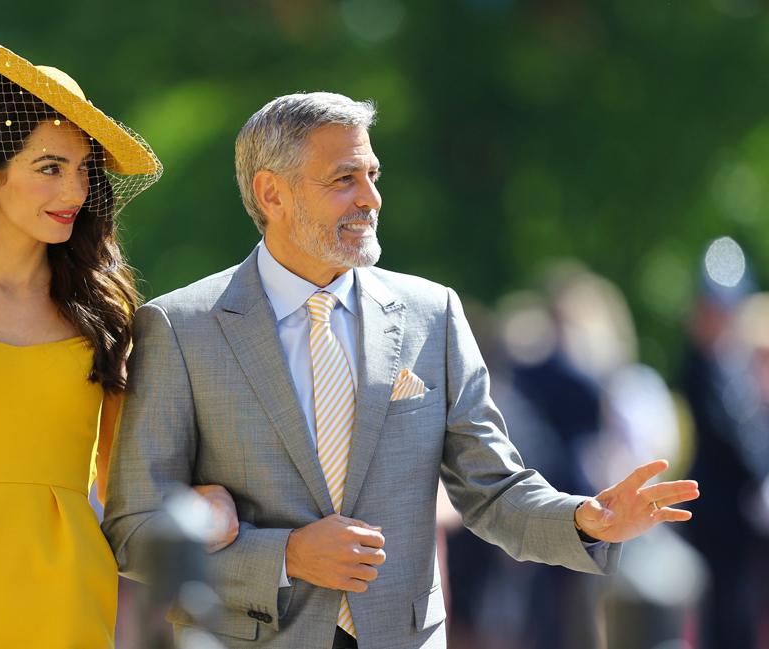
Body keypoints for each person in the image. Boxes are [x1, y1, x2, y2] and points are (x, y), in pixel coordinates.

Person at [101, 92, 701, 649]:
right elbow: (135, 530)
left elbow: (492, 491)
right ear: (272, 194)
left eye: (372, 175)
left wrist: (584, 519)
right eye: (344, 179)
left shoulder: (431, 314)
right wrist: (286, 556)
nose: (371, 197)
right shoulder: (181, 329)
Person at [0, 24, 235, 649]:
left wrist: (203, 514)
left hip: (65, 594)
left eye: (83, 170)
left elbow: (124, 483)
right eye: (49, 168)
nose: (74, 192)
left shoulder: (105, 313)